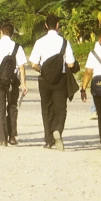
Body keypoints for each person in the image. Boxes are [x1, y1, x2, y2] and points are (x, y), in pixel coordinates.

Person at [29, 14, 76, 150]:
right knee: (61, 108)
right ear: (57, 25)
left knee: (46, 108)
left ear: (45, 25)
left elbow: (33, 64)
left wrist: (43, 70)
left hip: (44, 80)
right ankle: (58, 130)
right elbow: (71, 64)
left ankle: (48, 141)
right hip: (60, 80)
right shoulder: (65, 42)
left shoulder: (39, 42)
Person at [0, 22, 28, 146]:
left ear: (1, 32)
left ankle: (2, 139)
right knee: (13, 107)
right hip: (13, 82)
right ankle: (12, 136)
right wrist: (24, 84)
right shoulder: (17, 47)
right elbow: (21, 67)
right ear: (12, 34)